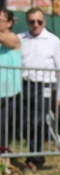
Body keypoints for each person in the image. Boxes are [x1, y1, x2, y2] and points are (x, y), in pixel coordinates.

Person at [19, 7, 60, 172]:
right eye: (32, 21)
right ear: (27, 22)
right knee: (25, 122)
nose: (36, 25)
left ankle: (34, 157)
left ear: (44, 22)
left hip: (44, 86)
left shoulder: (53, 40)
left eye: (39, 21)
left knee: (38, 121)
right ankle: (36, 154)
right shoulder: (21, 38)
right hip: (24, 84)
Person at [0, 8, 21, 149]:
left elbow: (6, 40)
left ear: (10, 23)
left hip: (9, 93)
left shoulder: (14, 39)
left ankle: (5, 163)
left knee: (4, 129)